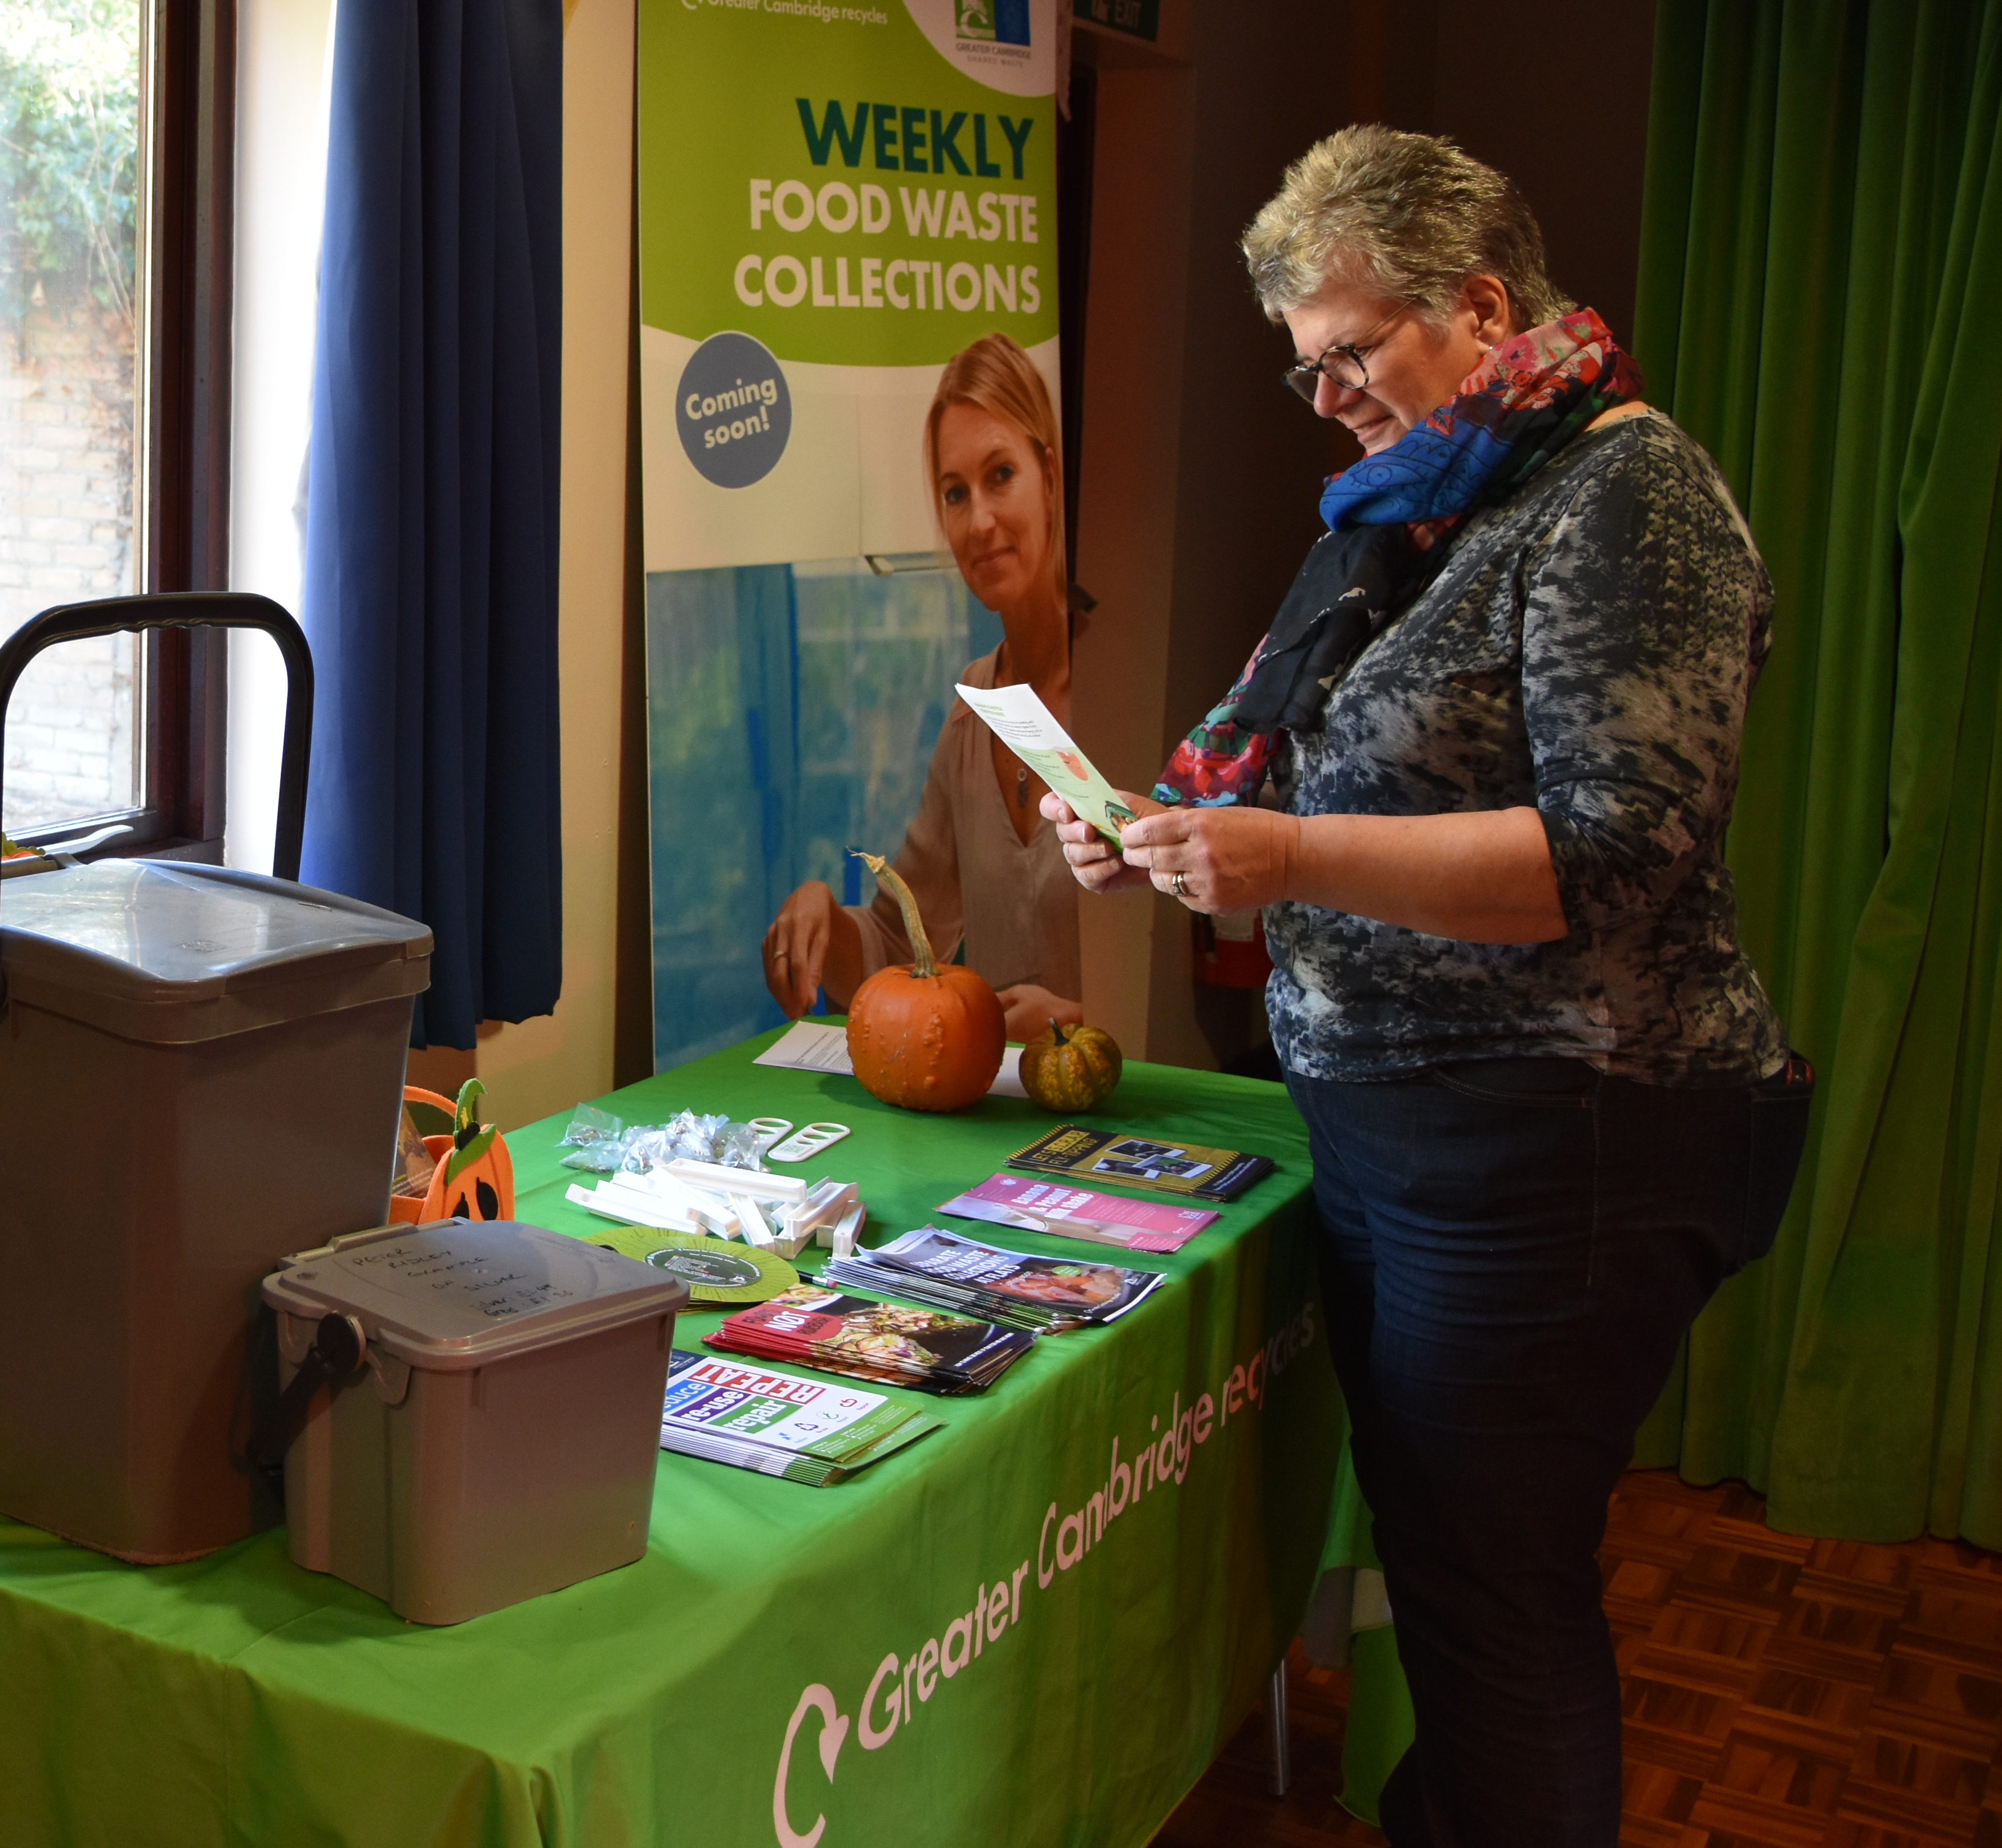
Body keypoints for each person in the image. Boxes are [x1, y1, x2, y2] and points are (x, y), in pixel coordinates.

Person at [1053, 126, 1805, 1847]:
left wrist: (1285, 858)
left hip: (1570, 1128)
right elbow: (1320, 774)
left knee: (1491, 1590)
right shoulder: (1426, 510)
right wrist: (1176, 834)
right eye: (1299, 369)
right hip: (1422, 1132)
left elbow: (1611, 851)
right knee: (1456, 1566)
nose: (1318, 401)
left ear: (1475, 308)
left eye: (1346, 355)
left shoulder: (1632, 493)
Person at [764, 332, 1084, 1036]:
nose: (981, 521)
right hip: (1007, 1133)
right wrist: (821, 914)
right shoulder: (976, 705)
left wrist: (1086, 1023)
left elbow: (1206, 911)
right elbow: (903, 945)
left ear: (1050, 478)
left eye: (1001, 475)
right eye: (954, 493)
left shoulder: (1126, 687)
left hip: (1146, 1134)